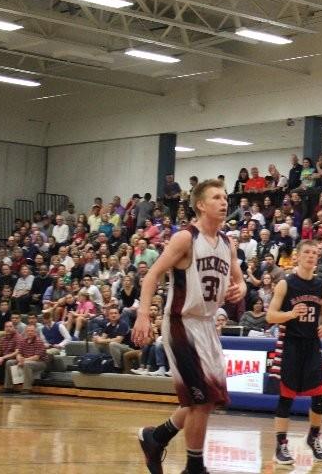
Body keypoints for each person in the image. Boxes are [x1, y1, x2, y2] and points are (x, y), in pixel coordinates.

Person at [133, 179, 246, 474]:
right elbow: (151, 276)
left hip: (208, 326)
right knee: (201, 401)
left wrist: (240, 289)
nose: (224, 202)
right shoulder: (185, 238)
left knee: (206, 401)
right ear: (200, 205)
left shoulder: (227, 242)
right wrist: (144, 315)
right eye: (217, 197)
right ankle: (194, 468)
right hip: (182, 323)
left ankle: (156, 437)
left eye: (225, 197)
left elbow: (239, 279)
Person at [266, 239, 322, 465]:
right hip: (290, 344)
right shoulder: (286, 284)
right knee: (286, 397)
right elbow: (270, 316)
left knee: (320, 396)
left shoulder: (321, 285)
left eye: (315, 253)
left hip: (312, 345)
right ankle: (280, 445)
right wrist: (291, 314)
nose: (311, 256)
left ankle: (313, 438)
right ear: (298, 256)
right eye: (307, 252)